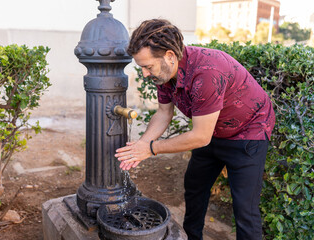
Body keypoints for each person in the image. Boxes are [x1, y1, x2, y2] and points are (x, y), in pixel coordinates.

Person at [114, 19, 275, 240]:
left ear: (170, 56)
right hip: (211, 130)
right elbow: (163, 113)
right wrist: (143, 144)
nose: (144, 74)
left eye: (147, 66)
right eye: (141, 67)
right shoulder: (165, 74)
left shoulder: (206, 73)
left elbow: (199, 136)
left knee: (245, 210)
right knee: (195, 187)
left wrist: (152, 149)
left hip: (248, 132)